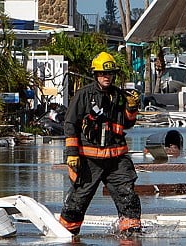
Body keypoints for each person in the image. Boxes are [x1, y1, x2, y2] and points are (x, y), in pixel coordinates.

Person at [59, 52, 142, 236]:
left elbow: (127, 123)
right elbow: (70, 124)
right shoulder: (84, 95)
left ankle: (132, 237)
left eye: (110, 73)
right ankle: (66, 235)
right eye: (103, 74)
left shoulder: (119, 96)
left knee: (127, 195)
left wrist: (132, 108)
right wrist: (72, 153)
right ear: (96, 74)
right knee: (78, 200)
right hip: (90, 160)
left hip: (117, 160)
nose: (107, 77)